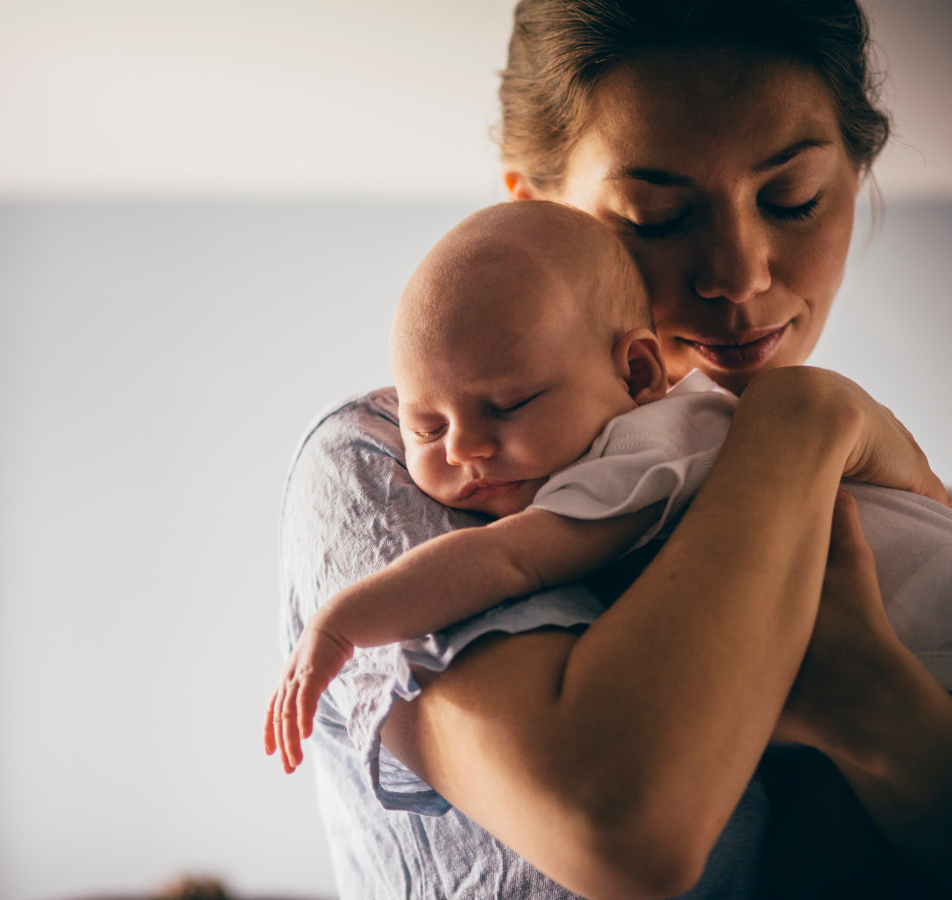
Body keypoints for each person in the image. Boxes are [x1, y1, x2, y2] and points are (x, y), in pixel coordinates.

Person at [275, 2, 952, 897]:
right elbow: (622, 827)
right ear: (541, 215)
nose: (741, 276)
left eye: (794, 199)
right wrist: (804, 419)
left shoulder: (856, 482)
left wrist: (871, 701)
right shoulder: (396, 460)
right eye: (657, 216)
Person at [265, 201, 952, 771]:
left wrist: (341, 623)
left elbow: (506, 558)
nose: (466, 447)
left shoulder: (652, 446)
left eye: (509, 405)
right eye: (425, 428)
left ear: (639, 375)